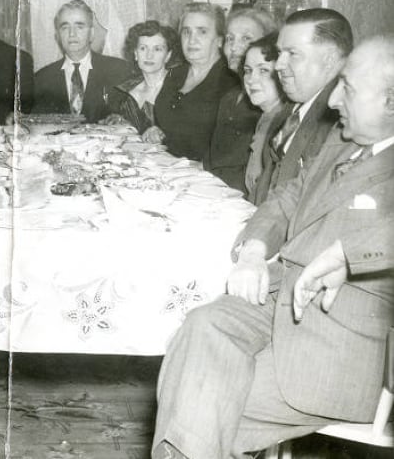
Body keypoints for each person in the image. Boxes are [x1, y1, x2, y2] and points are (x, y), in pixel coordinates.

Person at [152, 34, 394, 458]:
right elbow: (285, 200)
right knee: (199, 327)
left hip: (340, 349)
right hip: (278, 303)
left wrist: (345, 255)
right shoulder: (342, 140)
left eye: (349, 89)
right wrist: (252, 252)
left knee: (196, 405)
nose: (334, 100)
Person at [250, 7, 352, 205]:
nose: (278, 64)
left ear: (329, 59)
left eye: (292, 53)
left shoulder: (341, 121)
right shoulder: (291, 108)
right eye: (280, 53)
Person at [154, 2, 239, 161]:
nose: (192, 40)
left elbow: (233, 150)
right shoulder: (175, 74)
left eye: (202, 32)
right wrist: (156, 131)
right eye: (186, 32)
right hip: (168, 167)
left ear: (220, 40)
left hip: (206, 175)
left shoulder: (231, 82)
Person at [204, 8, 277, 191]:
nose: (235, 48)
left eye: (246, 39)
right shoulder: (229, 97)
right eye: (230, 39)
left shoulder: (267, 102)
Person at [32, 0, 130, 123]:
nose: (72, 34)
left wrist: (123, 120)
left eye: (80, 26)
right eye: (65, 27)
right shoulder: (41, 79)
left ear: (92, 34)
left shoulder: (118, 70)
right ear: (57, 36)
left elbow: (134, 117)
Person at [105, 20, 182, 138]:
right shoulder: (125, 92)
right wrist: (119, 122)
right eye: (143, 48)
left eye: (157, 49)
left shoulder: (180, 89)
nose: (149, 55)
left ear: (168, 55)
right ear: (135, 53)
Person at [241, 33, 287, 199]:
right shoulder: (267, 117)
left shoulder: (283, 122)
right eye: (248, 71)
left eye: (263, 70)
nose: (251, 79)